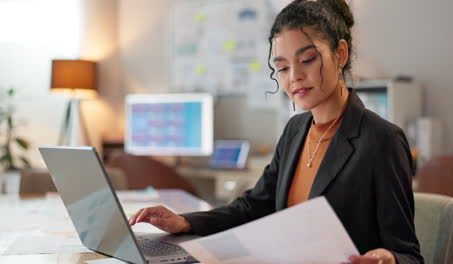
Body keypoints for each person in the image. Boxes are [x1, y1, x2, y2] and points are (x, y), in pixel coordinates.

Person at [129, 0, 424, 263]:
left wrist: (388, 259)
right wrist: (184, 222)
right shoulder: (296, 130)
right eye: (282, 68)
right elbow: (254, 205)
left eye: (307, 60)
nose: (295, 77)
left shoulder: (382, 140)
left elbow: (408, 254)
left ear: (341, 54)